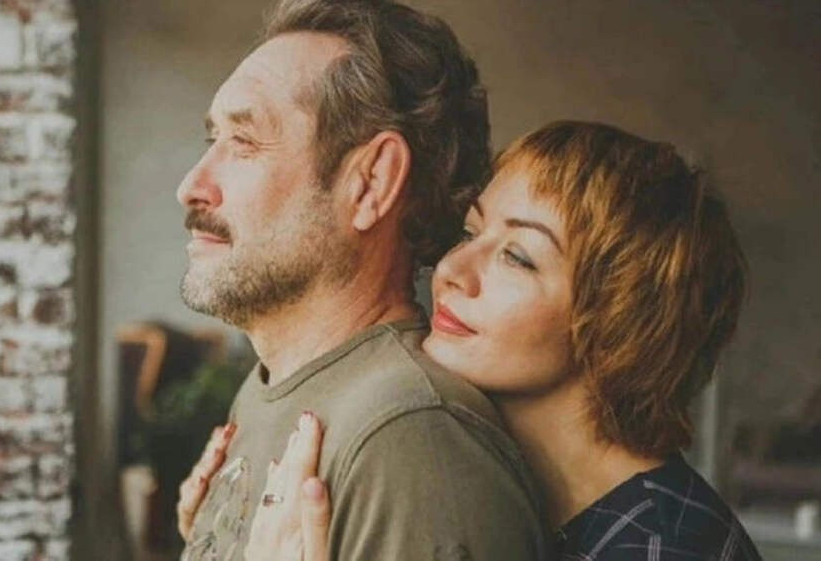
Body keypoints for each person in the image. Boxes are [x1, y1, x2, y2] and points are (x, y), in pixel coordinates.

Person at [182, 121, 763, 561]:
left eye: (517, 257)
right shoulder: (513, 492)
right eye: (470, 232)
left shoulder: (661, 546)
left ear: (622, 321)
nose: (452, 270)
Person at [174, 0, 549, 559]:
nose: (192, 186)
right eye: (214, 141)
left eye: (245, 143)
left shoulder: (411, 439)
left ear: (371, 182)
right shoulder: (272, 388)